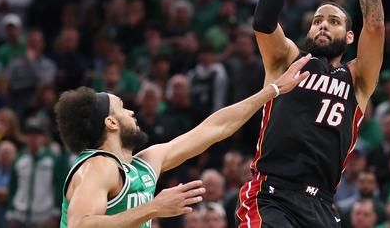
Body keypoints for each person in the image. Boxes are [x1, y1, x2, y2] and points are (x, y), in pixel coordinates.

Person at [240, 0, 384, 228]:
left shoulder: (358, 79)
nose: (322, 24)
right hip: (271, 195)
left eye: (334, 21)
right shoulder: (287, 60)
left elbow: (375, 25)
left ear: (350, 38)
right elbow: (262, 21)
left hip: (322, 206)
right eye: (318, 19)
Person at [56, 55, 311, 228]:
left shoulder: (145, 164)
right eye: (122, 108)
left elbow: (215, 127)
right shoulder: (98, 165)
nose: (131, 112)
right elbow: (81, 224)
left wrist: (273, 90)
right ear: (110, 123)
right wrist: (154, 208)